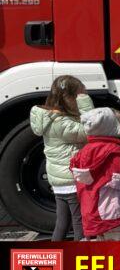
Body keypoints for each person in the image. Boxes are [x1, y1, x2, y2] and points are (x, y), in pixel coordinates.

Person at [30, 75, 94, 241]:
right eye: (79, 96)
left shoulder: (50, 117)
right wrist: (86, 104)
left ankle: (55, 255)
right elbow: (90, 129)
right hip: (71, 181)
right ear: (68, 98)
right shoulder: (61, 123)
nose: (81, 99)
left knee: (63, 222)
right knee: (80, 221)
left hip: (59, 181)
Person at [70, 108, 120, 241]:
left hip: (92, 209)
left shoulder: (83, 152)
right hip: (113, 210)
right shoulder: (112, 152)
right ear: (110, 126)